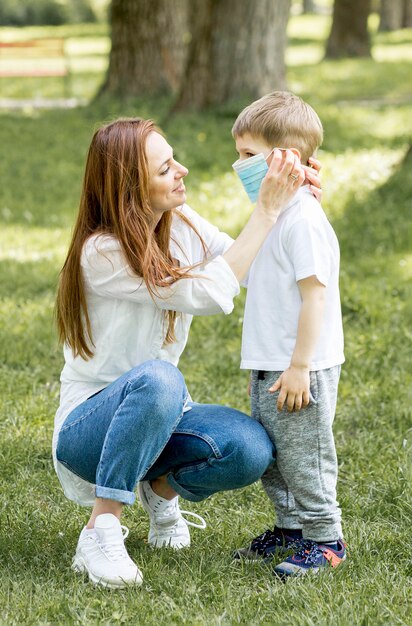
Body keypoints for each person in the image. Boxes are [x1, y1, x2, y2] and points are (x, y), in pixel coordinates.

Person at [53, 116, 309, 589]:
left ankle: (158, 489)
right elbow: (212, 293)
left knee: (249, 448)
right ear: (130, 187)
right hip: (87, 433)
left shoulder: (182, 222)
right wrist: (265, 213)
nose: (183, 170)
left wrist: (296, 202)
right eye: (165, 167)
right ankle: (100, 528)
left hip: (162, 414)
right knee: (159, 378)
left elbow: (250, 269)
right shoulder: (101, 253)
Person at [231, 91, 346, 577]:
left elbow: (314, 297)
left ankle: (326, 539)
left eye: (248, 156)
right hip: (267, 361)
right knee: (275, 458)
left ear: (288, 160)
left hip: (300, 366)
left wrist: (300, 366)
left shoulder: (304, 220)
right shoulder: (274, 215)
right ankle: (290, 529)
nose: (239, 166)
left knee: (305, 459)